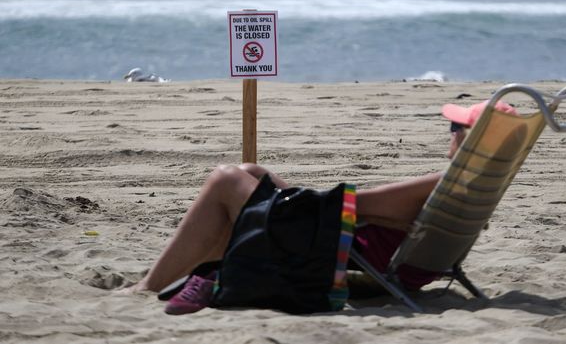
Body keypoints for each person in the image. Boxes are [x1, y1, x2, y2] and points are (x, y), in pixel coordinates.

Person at [128, 100, 517, 315]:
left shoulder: (439, 183)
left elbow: (355, 205)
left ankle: (150, 286)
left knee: (228, 178)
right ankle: (208, 273)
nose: (449, 133)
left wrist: (306, 199)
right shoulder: (473, 183)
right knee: (251, 171)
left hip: (337, 250)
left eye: (455, 129)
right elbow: (371, 211)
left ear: (473, 140)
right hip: (356, 242)